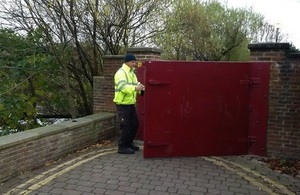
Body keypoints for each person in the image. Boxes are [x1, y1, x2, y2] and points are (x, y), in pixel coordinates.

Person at [113, 53, 145, 154]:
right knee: (125, 126)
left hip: (130, 103)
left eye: (135, 61)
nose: (134, 63)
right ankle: (122, 146)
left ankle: (129, 143)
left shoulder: (132, 73)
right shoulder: (120, 73)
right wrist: (136, 88)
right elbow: (123, 87)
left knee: (134, 124)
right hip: (122, 104)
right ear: (126, 62)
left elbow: (136, 85)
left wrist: (141, 89)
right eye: (132, 61)